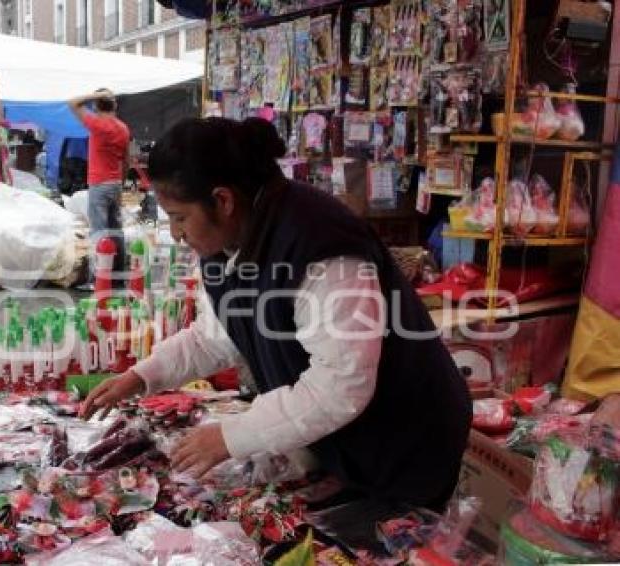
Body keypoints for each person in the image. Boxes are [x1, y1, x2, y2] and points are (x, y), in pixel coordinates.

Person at [81, 117, 471, 515]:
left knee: (393, 542)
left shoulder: (321, 247)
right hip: (342, 443)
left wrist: (231, 437)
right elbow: (215, 336)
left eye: (180, 218)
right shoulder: (227, 245)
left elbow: (341, 384)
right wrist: (141, 376)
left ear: (223, 200)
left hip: (405, 443)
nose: (177, 234)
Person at [67, 88, 130, 287]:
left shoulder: (98, 125)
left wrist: (94, 95)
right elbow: (126, 160)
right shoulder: (123, 128)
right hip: (115, 184)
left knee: (99, 233)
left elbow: (72, 102)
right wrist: (122, 181)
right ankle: (119, 274)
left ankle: (99, 279)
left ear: (96, 105)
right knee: (116, 231)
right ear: (115, 105)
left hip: (99, 184)